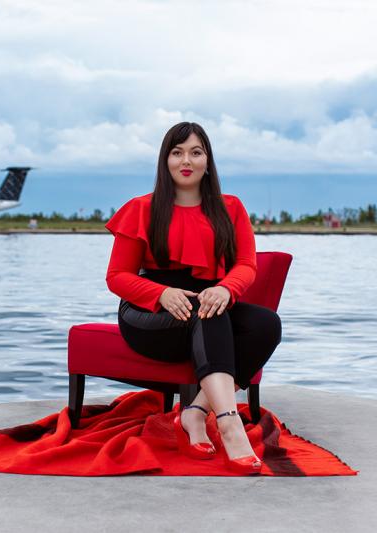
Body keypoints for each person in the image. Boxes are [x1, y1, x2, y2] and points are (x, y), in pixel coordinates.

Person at [104, 122, 282, 474]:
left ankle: (195, 414)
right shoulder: (141, 208)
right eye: (177, 152)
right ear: (165, 160)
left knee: (265, 324)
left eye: (196, 152)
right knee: (209, 311)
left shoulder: (230, 208)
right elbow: (117, 277)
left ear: (207, 160)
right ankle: (230, 426)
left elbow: (247, 265)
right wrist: (162, 293)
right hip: (148, 311)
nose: (186, 160)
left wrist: (226, 288)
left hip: (209, 303)